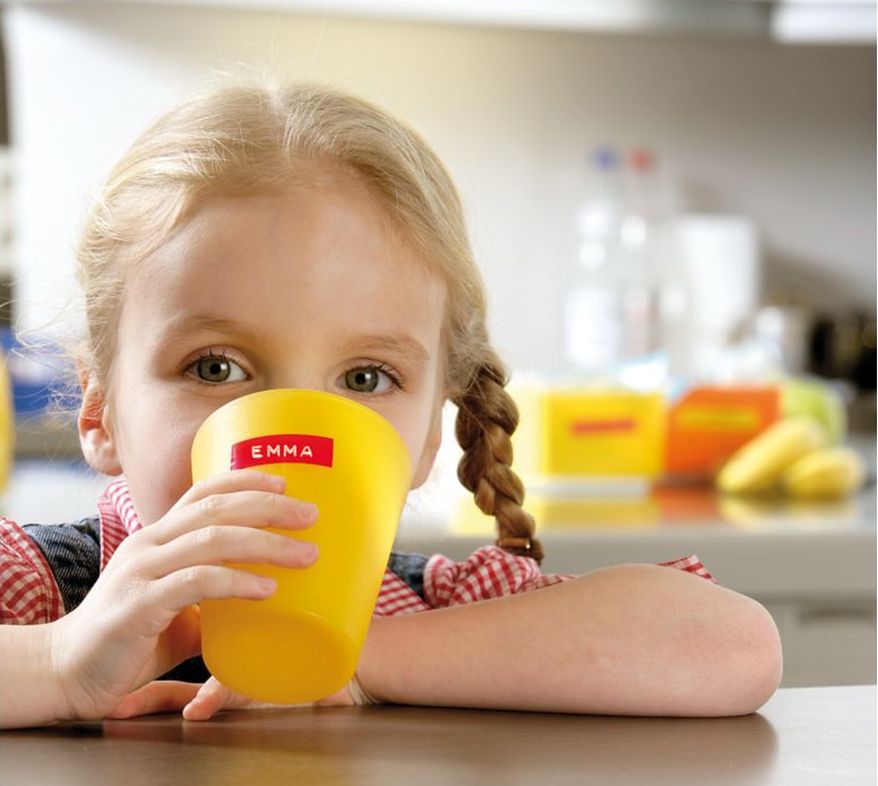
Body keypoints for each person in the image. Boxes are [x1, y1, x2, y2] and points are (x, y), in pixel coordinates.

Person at [0, 83, 782, 728]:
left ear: (428, 440)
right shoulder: (42, 586)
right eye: (216, 366)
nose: (292, 435)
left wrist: (358, 655)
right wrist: (63, 662)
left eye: (366, 379)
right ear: (101, 411)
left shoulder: (432, 605)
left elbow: (735, 646)